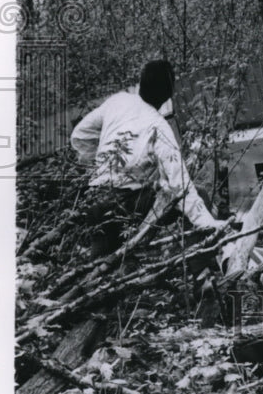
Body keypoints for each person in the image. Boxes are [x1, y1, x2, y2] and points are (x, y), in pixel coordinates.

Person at [71, 59, 225, 256]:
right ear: (167, 95)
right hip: (124, 204)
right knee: (199, 194)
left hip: (94, 200)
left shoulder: (118, 100)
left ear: (141, 82)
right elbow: (180, 183)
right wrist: (206, 221)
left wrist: (104, 158)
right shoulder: (158, 126)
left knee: (103, 266)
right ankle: (200, 273)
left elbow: (79, 136)